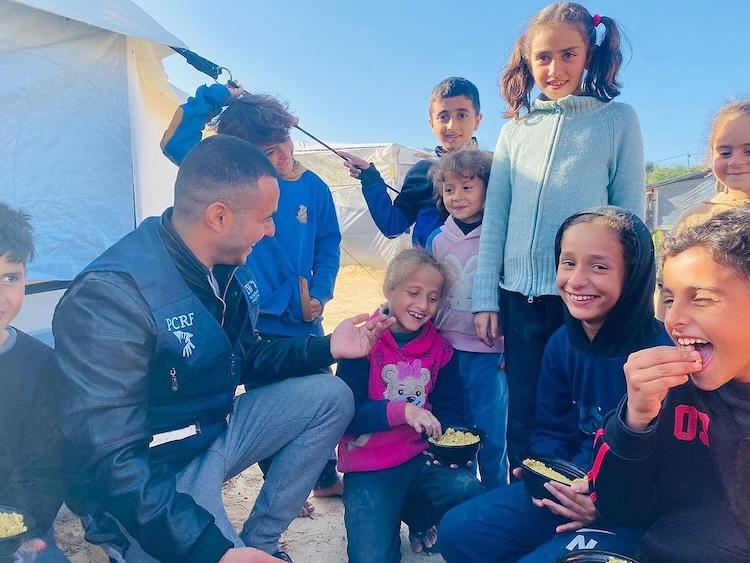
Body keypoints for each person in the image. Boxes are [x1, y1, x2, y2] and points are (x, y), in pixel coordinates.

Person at [52, 136, 394, 563]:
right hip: (151, 474)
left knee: (330, 395)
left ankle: (260, 544)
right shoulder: (110, 298)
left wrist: (326, 347)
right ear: (219, 216)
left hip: (211, 435)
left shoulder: (229, 268)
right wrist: (212, 551)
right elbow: (111, 460)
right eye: (266, 218)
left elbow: (245, 356)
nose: (272, 230)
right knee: (206, 549)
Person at [440, 207, 668, 562]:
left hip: (634, 513)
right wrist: (542, 471)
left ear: (634, 275)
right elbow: (552, 429)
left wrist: (603, 501)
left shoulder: (663, 358)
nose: (576, 280)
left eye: (599, 267)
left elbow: (674, 472)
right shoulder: (562, 344)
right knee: (459, 531)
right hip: (568, 489)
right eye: (568, 263)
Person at [473, 2, 645, 469]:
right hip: (520, 301)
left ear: (589, 54)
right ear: (527, 61)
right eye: (543, 57)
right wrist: (486, 298)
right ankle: (524, 497)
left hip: (585, 298)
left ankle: (587, 499)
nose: (555, 69)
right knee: (523, 416)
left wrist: (627, 299)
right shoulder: (516, 131)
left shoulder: (617, 121)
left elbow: (630, 221)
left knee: (585, 413)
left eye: (568, 54)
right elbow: (497, 218)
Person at [162, 82, 343, 505]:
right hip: (252, 322)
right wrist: (217, 96)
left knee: (321, 395)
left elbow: (328, 244)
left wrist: (320, 292)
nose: (283, 156)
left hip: (302, 317)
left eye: (285, 144)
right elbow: (176, 143)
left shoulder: (314, 187)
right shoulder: (228, 181)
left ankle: (322, 478)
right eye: (269, 152)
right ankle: (282, 489)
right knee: (268, 406)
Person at [590, 206, 750, 562]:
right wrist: (635, 421)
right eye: (667, 299)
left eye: (702, 298)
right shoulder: (671, 391)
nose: (672, 319)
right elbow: (620, 510)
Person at [337, 248, 484, 562]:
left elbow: (451, 409)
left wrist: (453, 448)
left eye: (433, 298)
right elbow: (345, 416)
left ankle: (421, 519)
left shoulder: (441, 350)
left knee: (466, 487)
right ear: (389, 289)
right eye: (413, 292)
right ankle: (385, 517)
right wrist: (401, 411)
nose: (422, 305)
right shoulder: (362, 343)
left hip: (419, 460)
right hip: (369, 467)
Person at [425, 149, 508, 489]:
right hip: (445, 352)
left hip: (489, 353)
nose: (456, 197)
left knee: (492, 432)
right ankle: (460, 495)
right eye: (449, 189)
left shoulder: (499, 239)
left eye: (467, 187)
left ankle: (495, 496)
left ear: (489, 190)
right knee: (452, 430)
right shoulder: (436, 241)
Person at [0, 203, 68, 562]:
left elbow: (46, 470)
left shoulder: (41, 366)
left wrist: (27, 526)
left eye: (11, 278)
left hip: (18, 533)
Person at [340, 77, 483, 248]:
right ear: (431, 124)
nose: (451, 125)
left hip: (482, 264)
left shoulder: (493, 170)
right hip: (431, 265)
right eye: (443, 116)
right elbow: (393, 226)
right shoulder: (422, 172)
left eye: (462, 115)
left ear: (477, 120)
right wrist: (370, 179)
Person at [672, 100, 750, 232]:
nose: (735, 162)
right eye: (725, 153)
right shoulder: (694, 220)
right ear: (711, 155)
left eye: (749, 151)